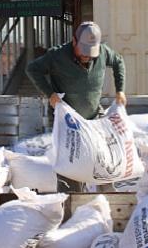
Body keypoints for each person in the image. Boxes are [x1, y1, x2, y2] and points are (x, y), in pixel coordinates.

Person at [25, 21, 126, 192]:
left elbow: (119, 62)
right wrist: (50, 94)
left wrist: (120, 90)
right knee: (71, 163)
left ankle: (108, 202)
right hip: (67, 121)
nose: (87, 56)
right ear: (74, 41)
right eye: (84, 51)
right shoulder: (56, 56)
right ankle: (71, 201)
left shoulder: (103, 52)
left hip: (94, 116)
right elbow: (32, 69)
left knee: (104, 159)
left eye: (91, 52)